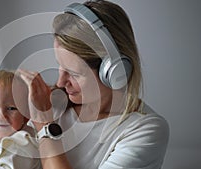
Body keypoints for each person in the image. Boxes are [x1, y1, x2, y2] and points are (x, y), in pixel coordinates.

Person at [17, 1, 169, 169]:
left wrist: (44, 126)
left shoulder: (145, 130)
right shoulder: (53, 104)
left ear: (114, 73)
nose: (60, 82)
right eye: (60, 66)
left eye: (74, 74)